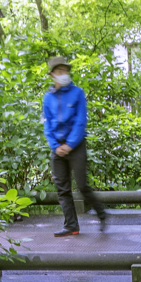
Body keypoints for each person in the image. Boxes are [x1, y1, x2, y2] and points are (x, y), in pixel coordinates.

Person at [42, 56, 106, 238]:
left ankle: (102, 215)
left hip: (75, 145)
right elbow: (47, 124)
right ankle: (71, 225)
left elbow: (80, 122)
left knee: (82, 185)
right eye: (59, 71)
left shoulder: (77, 93)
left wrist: (69, 145)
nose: (63, 74)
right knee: (62, 189)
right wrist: (55, 146)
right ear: (52, 75)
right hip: (57, 147)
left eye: (65, 71)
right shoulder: (48, 98)